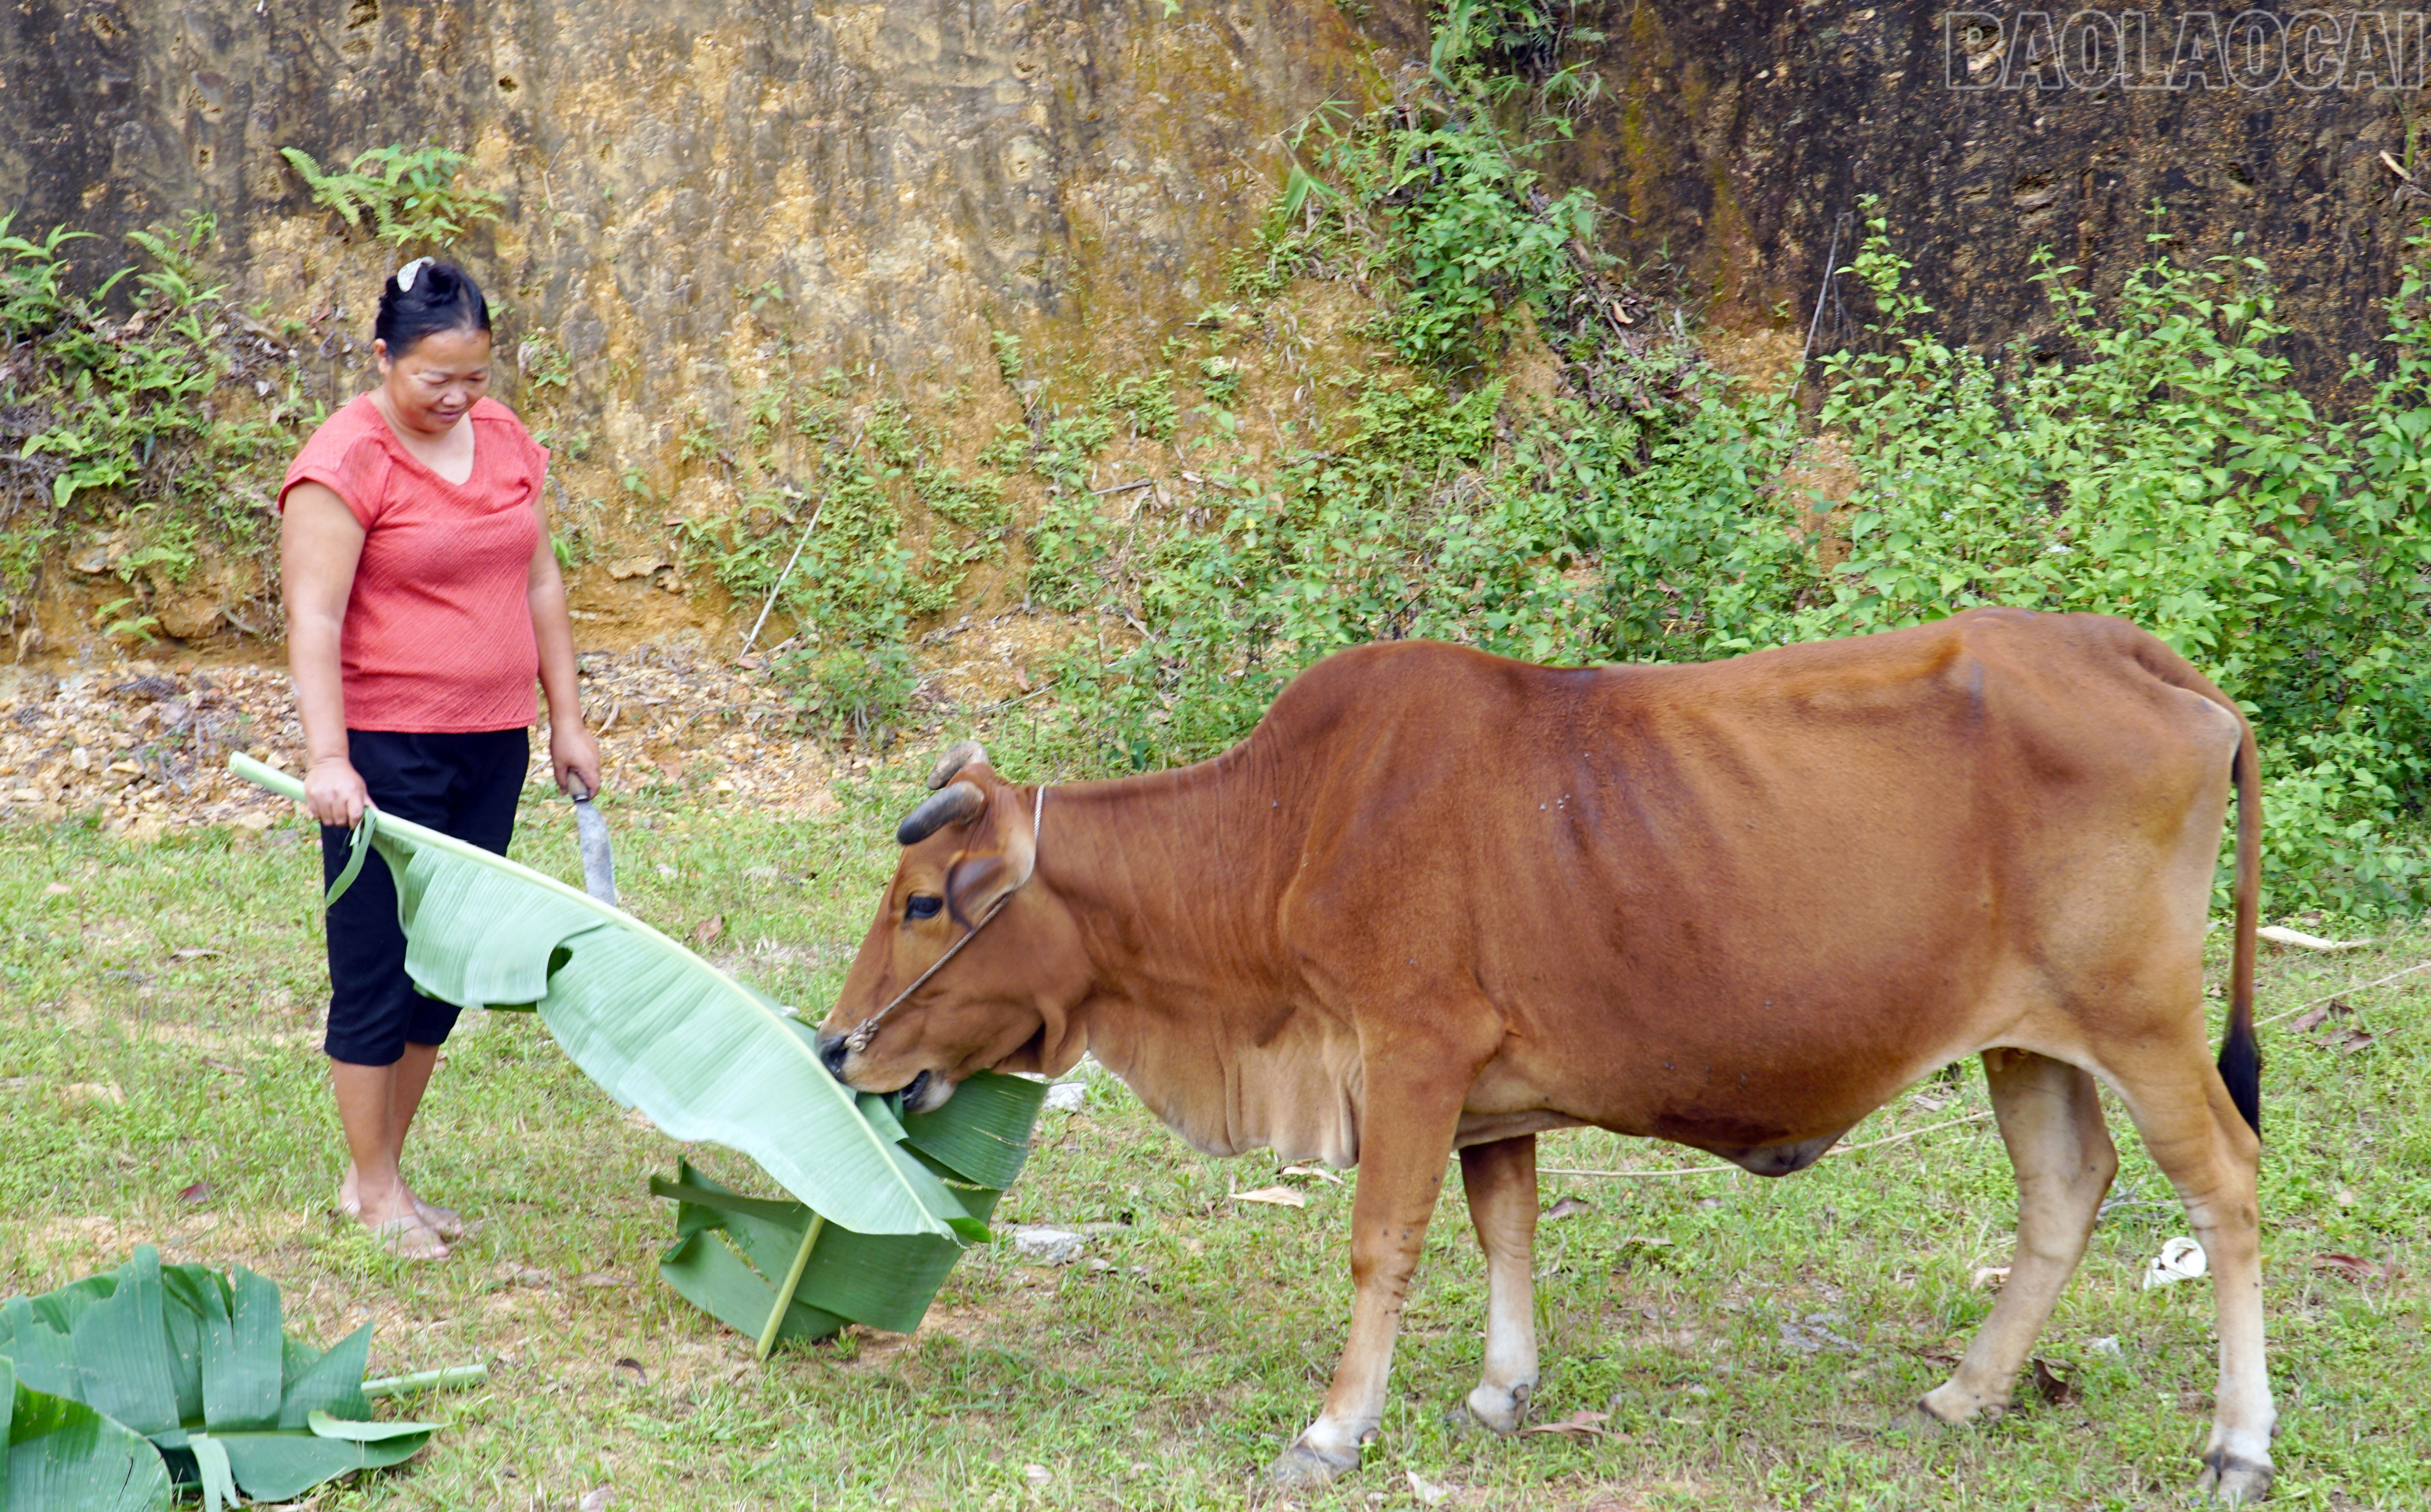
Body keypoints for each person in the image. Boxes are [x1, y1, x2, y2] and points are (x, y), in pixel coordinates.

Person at [278, 257, 600, 1260]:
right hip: (385, 749)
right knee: (378, 963)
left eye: (476, 377)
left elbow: (539, 581)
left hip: (490, 742)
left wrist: (568, 719)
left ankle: (383, 1175)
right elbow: (313, 617)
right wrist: (329, 759)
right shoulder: (346, 459)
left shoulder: (503, 442)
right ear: (384, 357)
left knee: (446, 968)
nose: (459, 399)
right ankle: (373, 1191)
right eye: (436, 380)